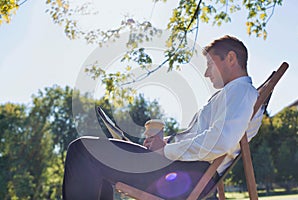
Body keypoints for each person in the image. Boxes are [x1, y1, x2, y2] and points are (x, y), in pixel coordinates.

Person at [62, 35, 264, 200]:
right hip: (182, 169)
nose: (206, 73)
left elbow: (220, 141)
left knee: (84, 151)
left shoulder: (241, 91)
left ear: (230, 58)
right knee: (97, 160)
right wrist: (165, 143)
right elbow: (207, 137)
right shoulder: (230, 95)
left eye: (210, 64)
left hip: (187, 176)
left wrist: (165, 151)